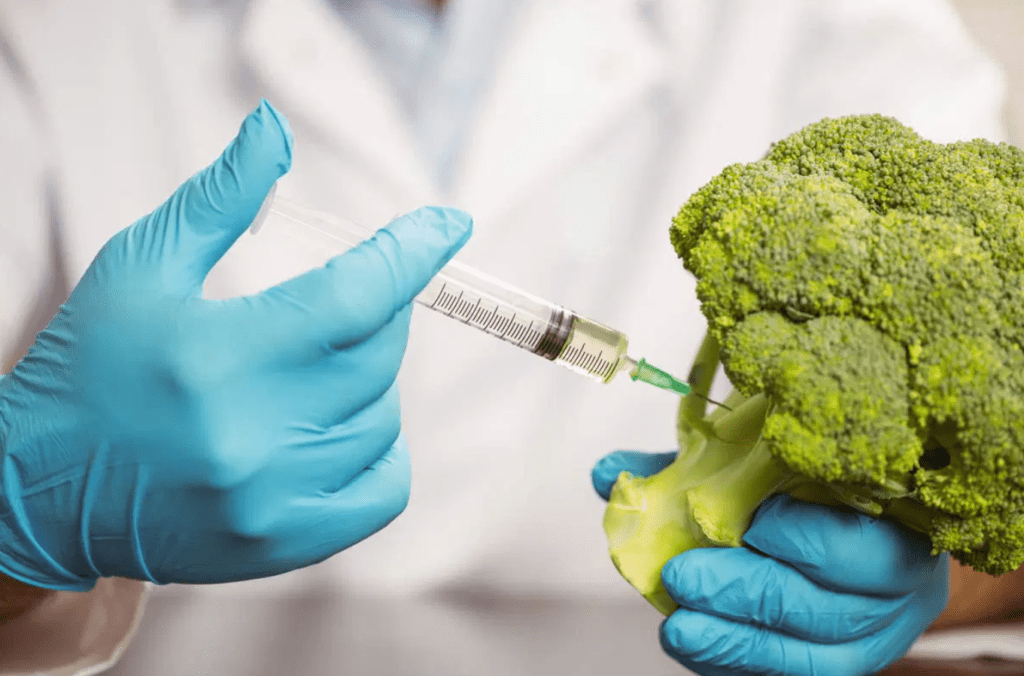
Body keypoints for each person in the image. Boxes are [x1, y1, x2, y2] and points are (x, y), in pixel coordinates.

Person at [0, 0, 1018, 674]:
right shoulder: (51, 37)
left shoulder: (840, 23)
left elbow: (992, 416)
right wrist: (21, 512)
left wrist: (913, 558)